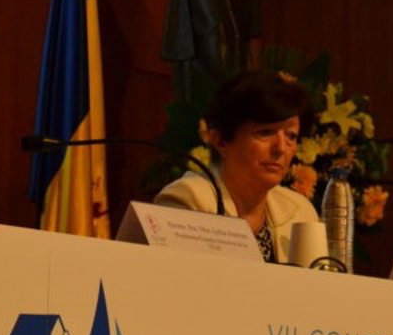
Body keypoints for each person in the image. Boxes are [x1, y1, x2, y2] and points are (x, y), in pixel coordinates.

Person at [127, 70, 317, 263]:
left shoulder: (300, 211)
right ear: (221, 141)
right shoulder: (189, 200)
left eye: (291, 136)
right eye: (265, 133)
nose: (281, 148)